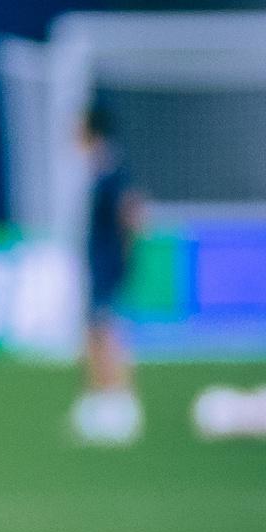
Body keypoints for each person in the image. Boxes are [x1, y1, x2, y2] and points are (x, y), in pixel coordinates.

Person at [72, 98, 145, 446]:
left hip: (107, 266)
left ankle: (120, 404)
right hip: (100, 264)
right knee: (95, 333)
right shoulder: (98, 167)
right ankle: (102, 401)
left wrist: (122, 257)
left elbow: (132, 213)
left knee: (106, 333)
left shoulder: (111, 168)